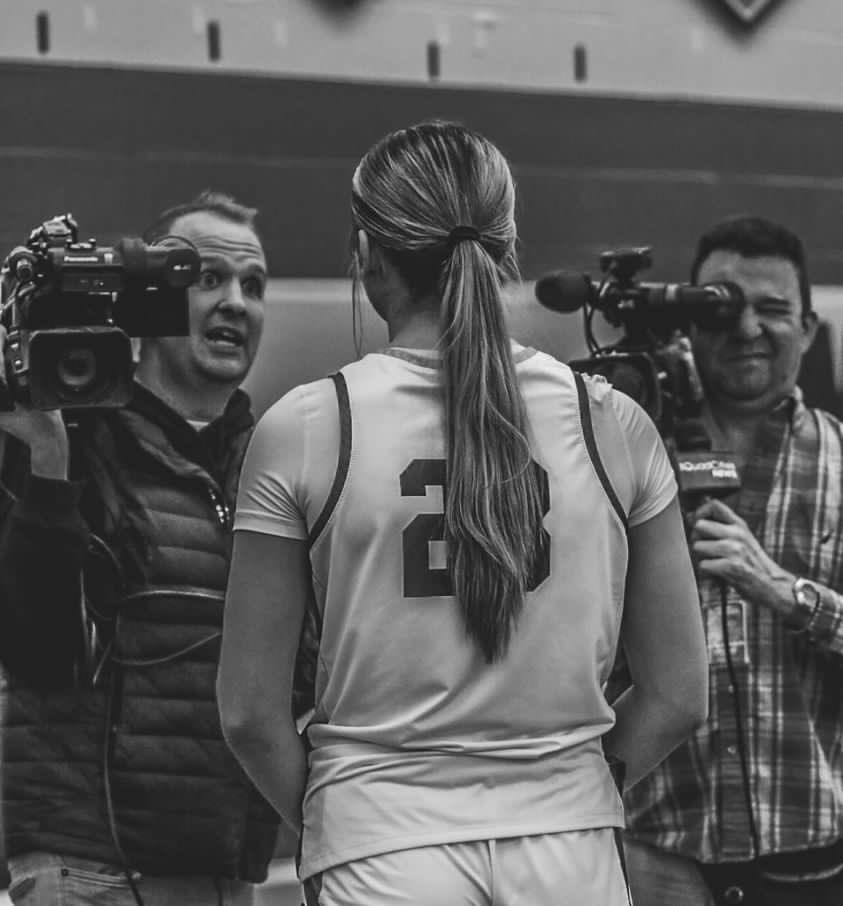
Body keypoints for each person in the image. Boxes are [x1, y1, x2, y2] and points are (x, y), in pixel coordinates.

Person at [217, 120, 708, 906]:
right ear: (505, 246)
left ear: (367, 253)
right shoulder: (611, 424)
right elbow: (679, 693)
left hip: (379, 848)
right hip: (569, 854)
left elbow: (248, 712)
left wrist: (342, 821)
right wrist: (570, 792)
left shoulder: (307, 426)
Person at [0, 191, 279, 905]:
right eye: (207, 278)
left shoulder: (272, 463)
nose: (235, 304)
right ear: (149, 305)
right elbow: (35, 648)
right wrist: (48, 460)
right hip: (89, 874)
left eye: (252, 286)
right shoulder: (69, 442)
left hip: (222, 877)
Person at [622, 215, 843, 906]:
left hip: (809, 855)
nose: (746, 327)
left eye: (773, 310)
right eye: (720, 304)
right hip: (655, 853)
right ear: (686, 320)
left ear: (807, 329)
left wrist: (782, 590)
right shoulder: (625, 459)